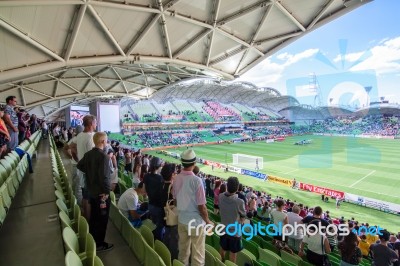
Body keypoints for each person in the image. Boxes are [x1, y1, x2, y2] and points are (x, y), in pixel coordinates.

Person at [173, 149, 212, 266]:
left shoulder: (176, 178)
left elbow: (175, 201)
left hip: (182, 220)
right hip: (196, 224)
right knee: (198, 256)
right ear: (194, 163)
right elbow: (202, 207)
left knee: (183, 252)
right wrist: (208, 221)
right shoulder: (197, 181)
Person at [77, 132, 113, 252]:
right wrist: (107, 192)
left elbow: (79, 165)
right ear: (103, 142)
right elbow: (105, 177)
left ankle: (93, 241)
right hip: (101, 194)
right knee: (102, 220)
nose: (107, 142)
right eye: (106, 140)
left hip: (91, 191)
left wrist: (90, 173)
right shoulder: (104, 157)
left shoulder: (88, 154)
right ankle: (99, 244)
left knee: (93, 218)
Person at [218, 176, 246, 263]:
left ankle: (221, 263)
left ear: (227, 186)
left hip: (223, 229)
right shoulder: (239, 202)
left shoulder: (220, 196)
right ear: (237, 188)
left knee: (222, 249)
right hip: (234, 233)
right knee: (233, 254)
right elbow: (243, 215)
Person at [143, 157, 164, 241]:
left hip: (150, 204)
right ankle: (157, 243)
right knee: (159, 227)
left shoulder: (146, 176)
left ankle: (152, 240)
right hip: (158, 207)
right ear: (159, 166)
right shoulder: (160, 179)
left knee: (154, 224)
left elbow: (145, 191)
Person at [160, 163, 178, 260]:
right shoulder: (171, 187)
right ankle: (172, 259)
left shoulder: (162, 184)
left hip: (165, 214)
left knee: (167, 234)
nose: (176, 174)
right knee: (174, 240)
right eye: (175, 173)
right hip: (171, 216)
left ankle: (165, 254)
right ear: (171, 175)